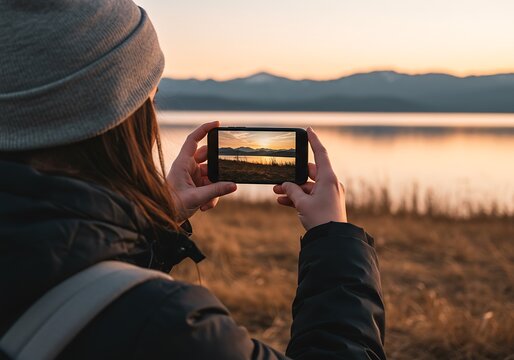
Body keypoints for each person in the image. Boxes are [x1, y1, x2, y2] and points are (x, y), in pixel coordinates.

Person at [0, 1, 385, 359]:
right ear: (120, 121)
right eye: (150, 96)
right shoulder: (169, 325)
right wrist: (335, 238)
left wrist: (158, 221)